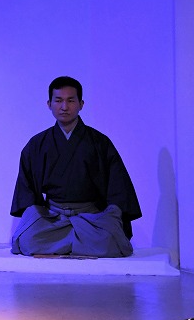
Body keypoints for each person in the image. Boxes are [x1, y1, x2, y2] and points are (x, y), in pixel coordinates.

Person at [10, 76, 141, 257]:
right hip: (53, 218)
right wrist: (37, 215)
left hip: (92, 218)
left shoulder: (100, 143)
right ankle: (80, 243)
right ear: (49, 104)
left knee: (110, 239)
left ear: (81, 104)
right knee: (27, 239)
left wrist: (112, 214)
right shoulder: (37, 144)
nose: (64, 107)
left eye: (71, 100)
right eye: (58, 100)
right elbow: (27, 191)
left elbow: (118, 187)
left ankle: (62, 244)